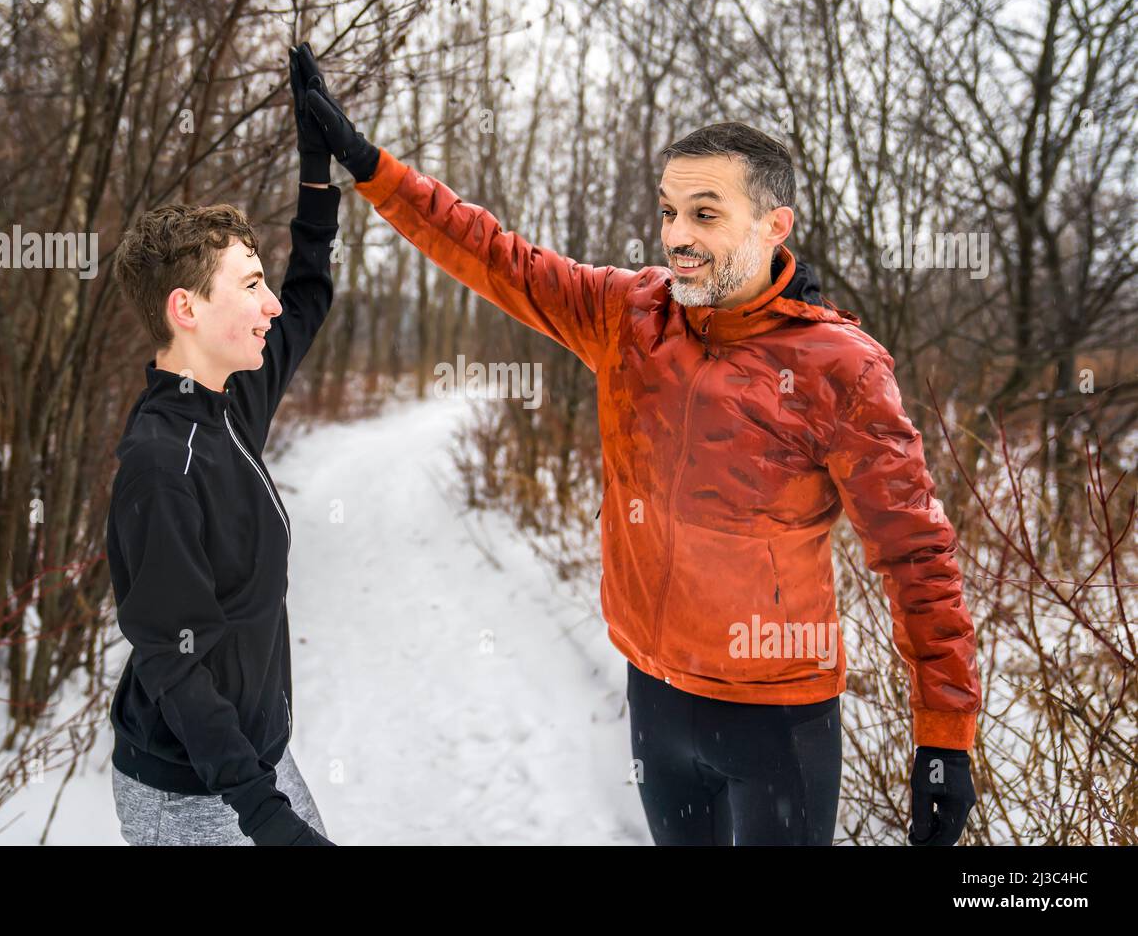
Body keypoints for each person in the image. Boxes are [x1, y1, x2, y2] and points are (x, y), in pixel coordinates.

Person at [291, 43, 980, 846]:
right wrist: (371, 166)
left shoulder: (841, 369)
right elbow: (494, 254)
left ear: (773, 225)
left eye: (705, 214)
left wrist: (943, 733)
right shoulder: (630, 315)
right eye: (668, 211)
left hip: (778, 724)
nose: (676, 237)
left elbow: (917, 554)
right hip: (655, 702)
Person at [104, 46, 338, 846]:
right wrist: (264, 814)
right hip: (189, 792)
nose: (268, 302)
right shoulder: (158, 464)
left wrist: (317, 170)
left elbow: (308, 294)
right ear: (186, 309)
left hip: (254, 768)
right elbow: (171, 659)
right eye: (247, 284)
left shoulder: (231, 405)